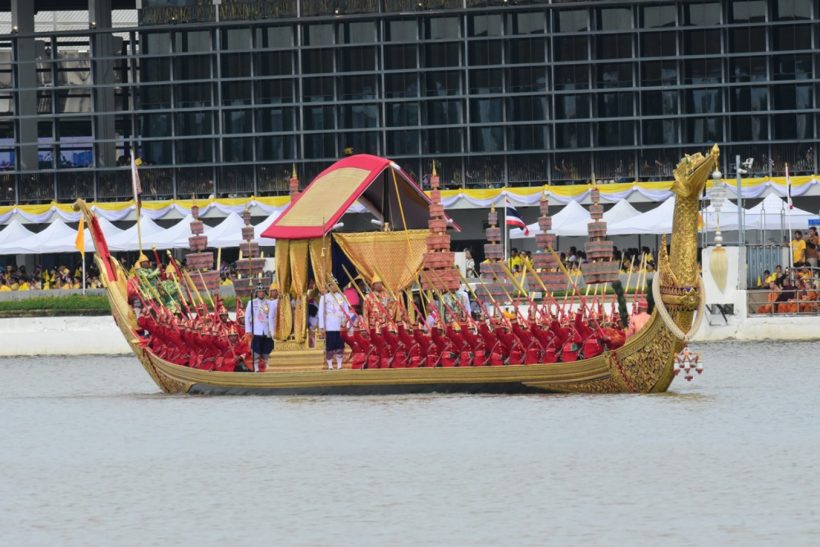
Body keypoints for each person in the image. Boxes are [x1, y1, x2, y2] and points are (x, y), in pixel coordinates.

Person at [318, 277, 351, 370]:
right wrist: (321, 326)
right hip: (330, 325)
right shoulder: (324, 297)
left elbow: (347, 311)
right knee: (330, 346)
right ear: (329, 286)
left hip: (340, 324)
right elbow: (321, 312)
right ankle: (330, 365)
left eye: (335, 285)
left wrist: (347, 324)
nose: (333, 287)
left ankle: (340, 365)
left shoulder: (343, 296)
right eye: (331, 285)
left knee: (340, 345)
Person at [244, 284, 273, 372]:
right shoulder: (252, 302)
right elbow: (247, 316)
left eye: (263, 292)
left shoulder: (269, 302)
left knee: (267, 349)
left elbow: (272, 316)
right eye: (259, 292)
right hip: (256, 330)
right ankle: (256, 367)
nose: (261, 293)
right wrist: (248, 330)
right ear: (257, 293)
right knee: (256, 350)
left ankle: (268, 366)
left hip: (267, 330)